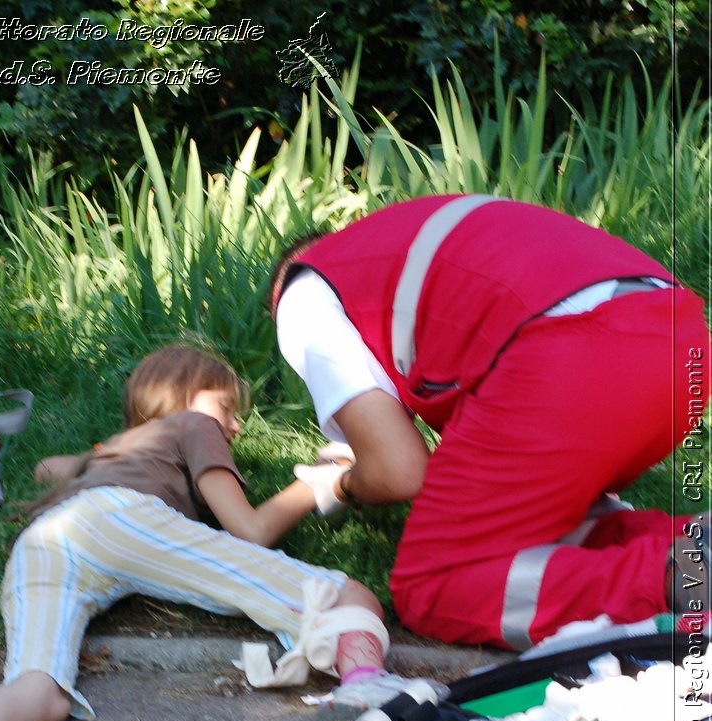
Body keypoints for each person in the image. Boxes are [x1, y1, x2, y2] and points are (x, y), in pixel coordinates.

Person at [0, 344, 393, 721]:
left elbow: (46, 468)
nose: (234, 427)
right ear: (184, 397)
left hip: (44, 541)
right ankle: (365, 684)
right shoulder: (193, 424)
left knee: (40, 690)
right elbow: (249, 529)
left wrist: (101, 454)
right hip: (123, 521)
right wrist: (325, 484)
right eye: (227, 410)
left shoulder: (118, 449)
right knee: (343, 593)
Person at [270, 194, 710, 652]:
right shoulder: (401, 245)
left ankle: (673, 579)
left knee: (433, 585)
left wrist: (344, 484)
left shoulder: (303, 291)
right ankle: (695, 545)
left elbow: (398, 471)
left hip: (570, 353)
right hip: (677, 340)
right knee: (545, 530)